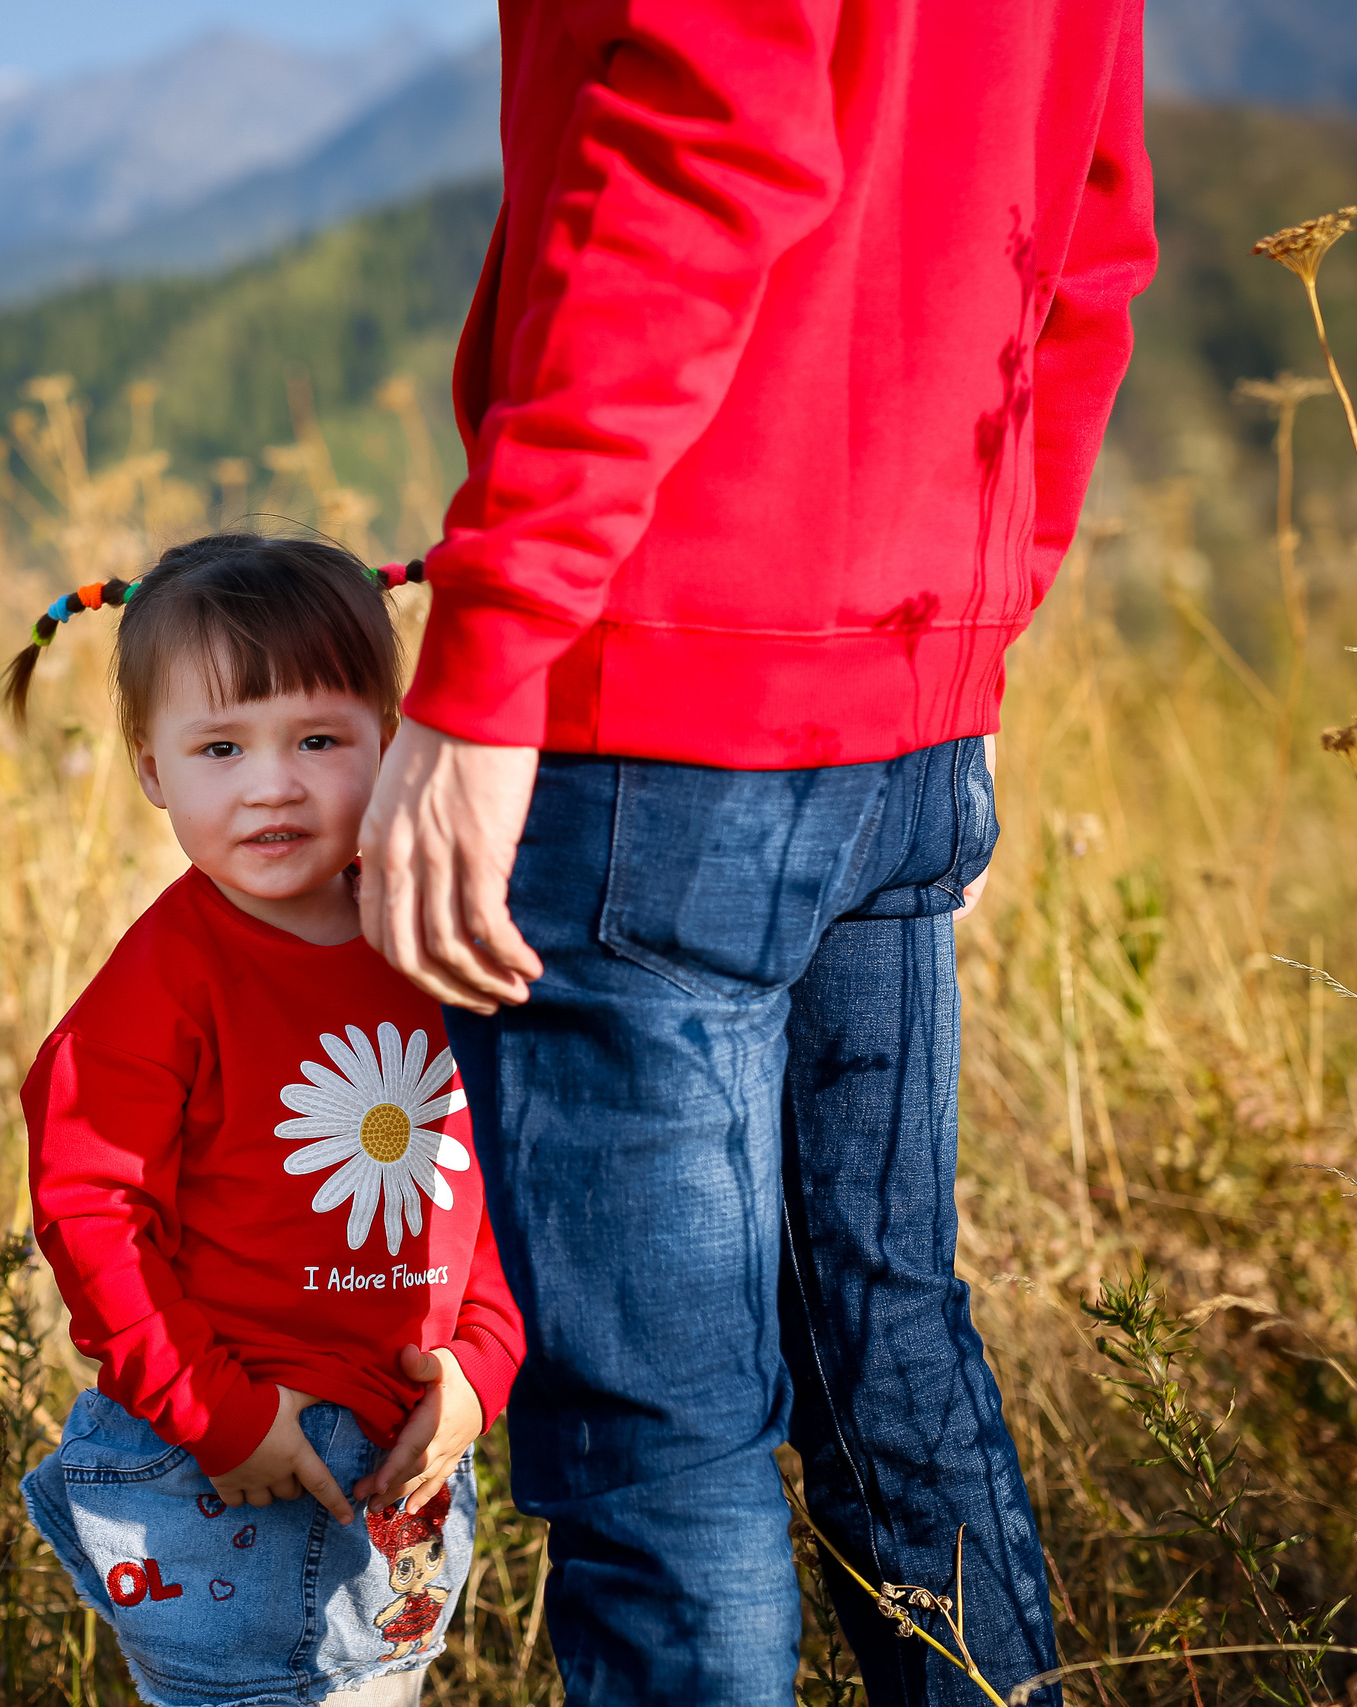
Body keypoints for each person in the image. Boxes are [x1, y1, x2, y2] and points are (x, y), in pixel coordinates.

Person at [356, 1, 1157, 1703]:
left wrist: (493, 647)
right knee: (893, 1347)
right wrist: (973, 636)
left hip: (659, 691)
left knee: (662, 1436)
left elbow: (706, 138)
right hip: (904, 685)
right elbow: (1086, 234)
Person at [10, 536, 527, 1707]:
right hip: (225, 1460)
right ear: (152, 769)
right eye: (222, 747)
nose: (272, 784)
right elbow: (89, 1210)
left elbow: (503, 1168)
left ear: (393, 741)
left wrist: (480, 1367)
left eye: (318, 740)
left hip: (405, 1459)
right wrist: (217, 1413)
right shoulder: (163, 982)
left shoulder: (437, 940)